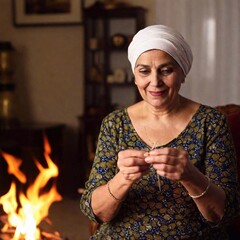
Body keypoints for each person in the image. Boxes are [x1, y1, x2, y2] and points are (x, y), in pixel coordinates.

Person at [80, 25, 239, 239]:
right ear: (135, 76)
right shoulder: (115, 124)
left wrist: (191, 175)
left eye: (166, 70)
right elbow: (95, 211)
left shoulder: (211, 123)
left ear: (182, 72)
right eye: (144, 71)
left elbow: (225, 213)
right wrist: (123, 179)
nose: (155, 82)